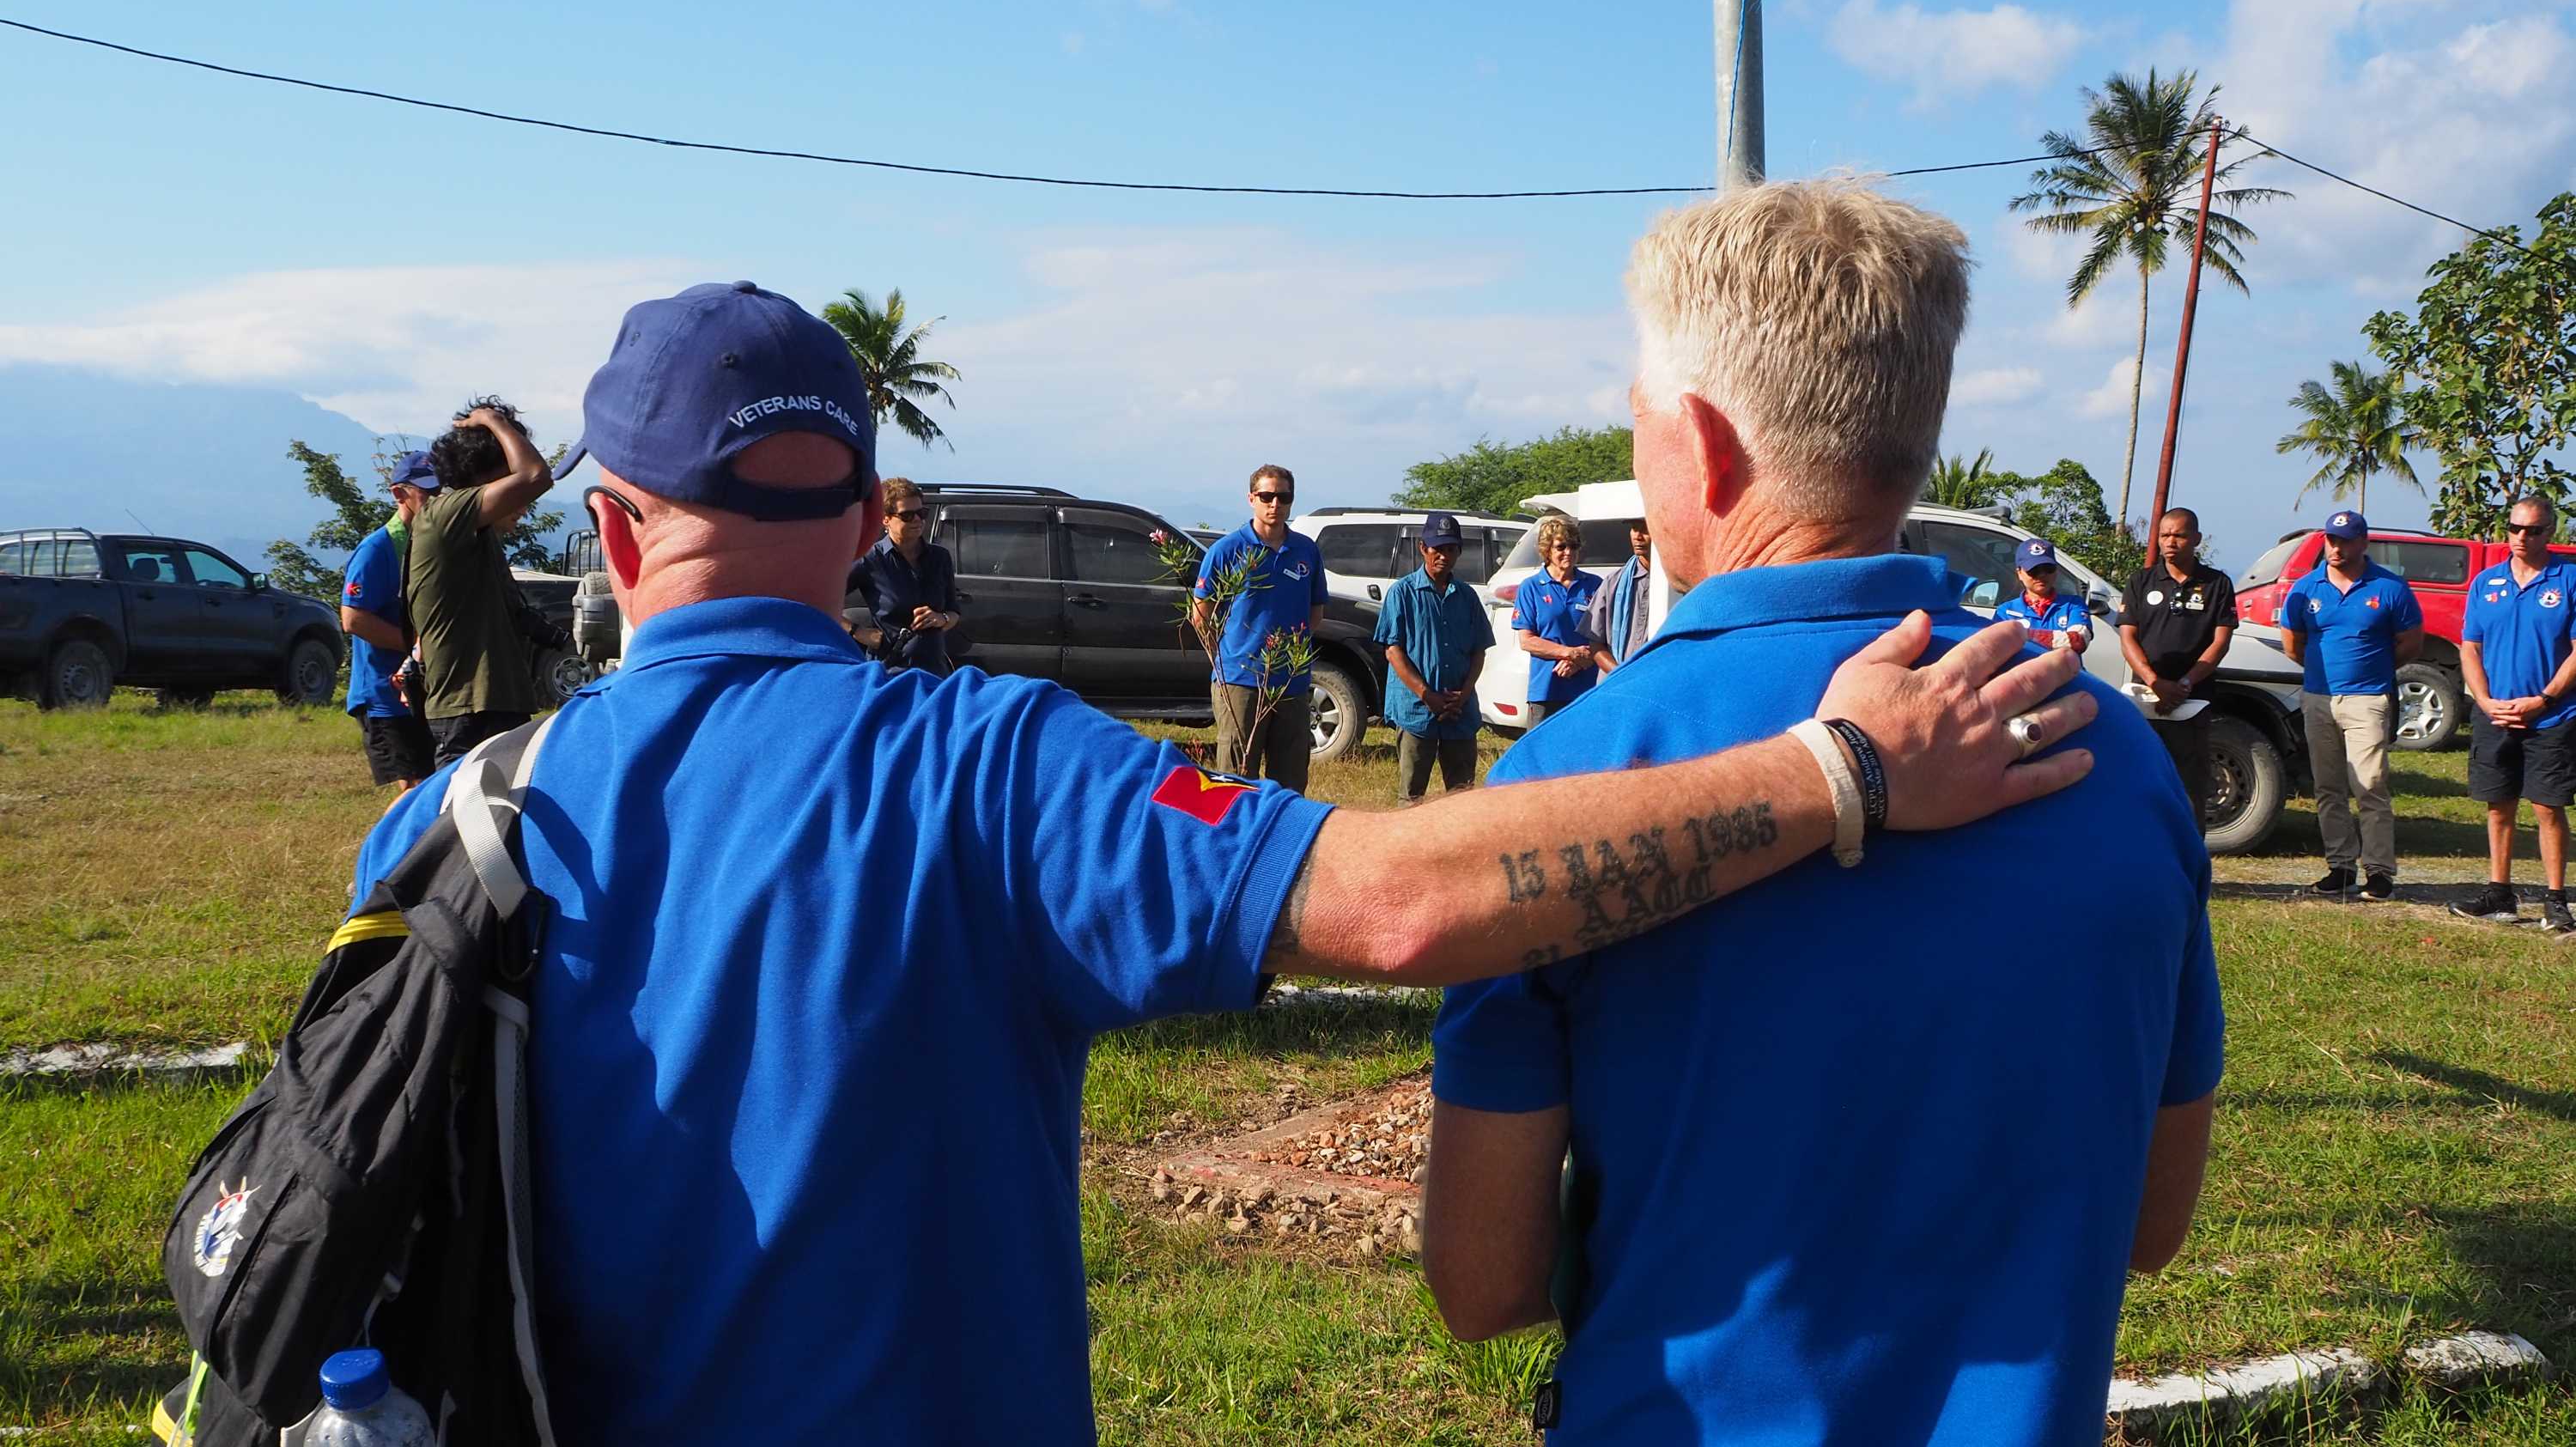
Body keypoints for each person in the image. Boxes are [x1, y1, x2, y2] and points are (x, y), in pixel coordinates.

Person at [343, 277, 2096, 1444]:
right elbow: (1400, 899)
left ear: (615, 526)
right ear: (873, 518)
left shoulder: (451, 824)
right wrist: (1842, 771)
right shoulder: (986, 761)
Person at [1422, 182, 2218, 1447]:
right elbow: (2151, 1227)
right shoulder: (2114, 759)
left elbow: (1481, 1285)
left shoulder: (1570, 779)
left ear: (1699, 441)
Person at [2280, 510, 2423, 902]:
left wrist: (2373, 670)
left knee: (2371, 786)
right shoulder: (2306, 589)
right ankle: (2340, 867)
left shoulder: (2390, 588)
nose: (2336, 547)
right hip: (2318, 698)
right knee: (2328, 786)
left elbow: (2411, 642)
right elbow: (2293, 644)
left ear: (2363, 543)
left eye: (2344, 540)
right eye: (2330, 540)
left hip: (2368, 699)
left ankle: (2379, 872)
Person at [2451, 495, 2576, 930]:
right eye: (2515, 528)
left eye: (2534, 530)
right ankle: (2499, 893)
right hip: (2496, 714)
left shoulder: (2569, 581)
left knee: (2547, 807)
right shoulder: (2487, 583)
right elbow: (2470, 646)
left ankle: (2556, 899)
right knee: (2499, 806)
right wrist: (2484, 702)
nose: (2522, 537)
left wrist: (2543, 699)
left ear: (2550, 533)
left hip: (2552, 716)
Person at [412, 397, 556, 765]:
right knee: (458, 819)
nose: (521, 507)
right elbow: (535, 476)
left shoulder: (476, 534)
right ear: (486, 479)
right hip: (468, 712)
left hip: (491, 706)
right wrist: (494, 421)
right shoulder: (446, 513)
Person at [1194, 464, 1328, 791]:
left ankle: (1285, 841)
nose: (1275, 504)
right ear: (1251, 498)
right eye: (1267, 496)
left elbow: (1316, 612)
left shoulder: (1306, 550)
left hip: (1291, 682)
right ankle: (1234, 841)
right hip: (1240, 680)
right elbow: (1201, 616)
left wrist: (1290, 652)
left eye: (1283, 497)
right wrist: (1229, 658)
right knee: (1237, 777)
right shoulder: (1227, 550)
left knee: (1291, 778)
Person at [2119, 507, 2236, 824]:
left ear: (2196, 539)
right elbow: (2127, 637)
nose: (2171, 542)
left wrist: (2184, 684)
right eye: (2164, 535)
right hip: (2145, 699)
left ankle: (2189, 862)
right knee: (2141, 781)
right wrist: (2155, 682)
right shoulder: (2141, 581)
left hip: (2193, 702)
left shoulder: (2217, 584)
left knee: (2191, 787)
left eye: (2179, 535)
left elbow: (2220, 643)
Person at [1376, 512, 1495, 804]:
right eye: (1437, 548)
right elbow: (1393, 651)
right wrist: (1427, 694)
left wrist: (1463, 695)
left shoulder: (1467, 596)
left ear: (1459, 552)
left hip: (1459, 711)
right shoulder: (1402, 593)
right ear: (1423, 548)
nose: (1443, 555)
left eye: (1450, 549)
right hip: (1417, 710)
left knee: (1462, 797)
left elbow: (1479, 650)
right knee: (1412, 798)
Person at [337, 451, 436, 794]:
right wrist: (416, 648)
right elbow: (353, 619)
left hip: (422, 692)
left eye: (440, 492)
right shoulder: (377, 549)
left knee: (434, 786)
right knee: (415, 790)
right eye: (426, 493)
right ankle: (386, 849)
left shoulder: (432, 542)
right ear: (399, 494)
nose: (435, 500)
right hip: (383, 695)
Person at [846, 476, 960, 674]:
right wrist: (858, 632)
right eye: (907, 515)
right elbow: (819, 604)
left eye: (921, 513)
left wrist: (941, 619)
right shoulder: (870, 559)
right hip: (890, 673)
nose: (917, 520)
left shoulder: (940, 558)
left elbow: (954, 611)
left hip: (933, 673)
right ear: (885, 519)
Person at [1512, 514, 1603, 727]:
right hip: (1546, 689)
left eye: (1573, 546)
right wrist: (1570, 653)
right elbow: (1527, 641)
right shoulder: (1531, 587)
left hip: (1586, 688)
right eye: (1561, 547)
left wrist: (1580, 661)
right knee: (1542, 756)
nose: (1568, 552)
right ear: (1547, 550)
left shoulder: (1595, 585)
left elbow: (1607, 636)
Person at [1995, 536, 2093, 653]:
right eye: (2034, 570)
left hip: (2066, 671)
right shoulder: (2005, 611)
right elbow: (1996, 646)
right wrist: (2060, 639)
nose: (2041, 575)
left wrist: (2019, 635)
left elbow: (2078, 641)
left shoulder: (2073, 605)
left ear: (2056, 570)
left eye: (2048, 568)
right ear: (2019, 573)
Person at [1585, 519, 1655, 672]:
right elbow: (1595, 644)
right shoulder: (1613, 582)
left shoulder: (1675, 585)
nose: (1638, 536)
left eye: (1645, 529)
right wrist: (1621, 676)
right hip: (1615, 684)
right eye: (1634, 529)